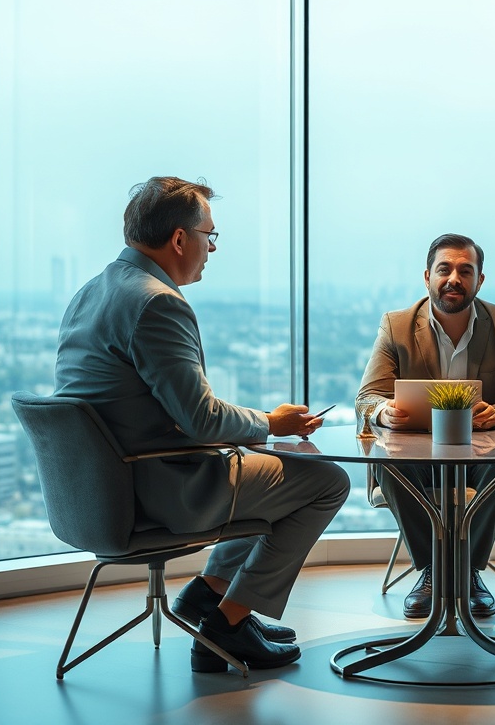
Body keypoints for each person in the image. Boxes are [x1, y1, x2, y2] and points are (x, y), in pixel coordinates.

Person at [54, 176, 350, 672]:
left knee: (270, 470)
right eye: (209, 236)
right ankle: (228, 624)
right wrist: (272, 424)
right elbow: (200, 417)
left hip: (96, 489)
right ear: (178, 239)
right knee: (324, 481)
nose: (211, 249)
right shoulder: (157, 302)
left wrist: (260, 427)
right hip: (159, 486)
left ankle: (206, 594)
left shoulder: (94, 291)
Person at [356, 233, 495, 619]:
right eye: (444, 269)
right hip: (415, 455)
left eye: (465, 270)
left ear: (480, 280)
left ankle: (468, 571)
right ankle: (432, 571)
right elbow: (367, 397)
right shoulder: (396, 325)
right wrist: (384, 412)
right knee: (390, 462)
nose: (454, 278)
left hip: (483, 452)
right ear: (427, 277)